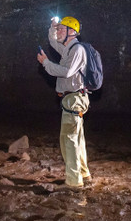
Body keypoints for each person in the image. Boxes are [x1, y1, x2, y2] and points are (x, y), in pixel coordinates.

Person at [37, 16, 91, 189]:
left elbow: (66, 72)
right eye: (59, 29)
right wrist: (52, 26)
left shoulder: (77, 50)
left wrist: (46, 62)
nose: (59, 32)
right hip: (73, 98)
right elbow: (53, 41)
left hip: (74, 99)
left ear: (72, 32)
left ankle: (74, 182)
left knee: (69, 140)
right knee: (77, 138)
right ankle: (84, 174)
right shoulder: (68, 48)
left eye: (62, 29)